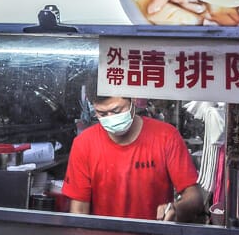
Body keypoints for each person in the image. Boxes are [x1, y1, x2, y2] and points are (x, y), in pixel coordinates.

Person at [62, 94, 204, 222]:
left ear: (133, 101)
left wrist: (176, 209)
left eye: (117, 111)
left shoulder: (166, 136)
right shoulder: (84, 144)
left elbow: (194, 197)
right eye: (102, 113)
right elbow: (79, 212)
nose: (111, 117)